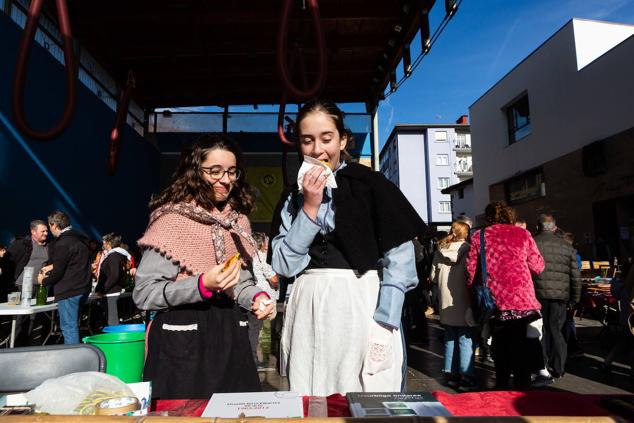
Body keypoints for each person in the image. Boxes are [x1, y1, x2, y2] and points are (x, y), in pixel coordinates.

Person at [270, 99, 426, 396]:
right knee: (311, 392)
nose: (317, 150)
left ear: (342, 139)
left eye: (326, 138)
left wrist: (386, 322)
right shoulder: (293, 197)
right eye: (307, 140)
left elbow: (400, 260)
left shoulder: (372, 185)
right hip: (308, 305)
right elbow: (284, 265)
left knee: (365, 391)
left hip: (362, 303)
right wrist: (310, 209)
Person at [133, 134, 275, 399]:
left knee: (238, 411)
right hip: (181, 340)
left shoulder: (238, 223)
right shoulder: (171, 221)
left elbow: (240, 283)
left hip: (230, 334)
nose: (225, 179)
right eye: (215, 171)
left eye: (232, 171)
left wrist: (257, 297)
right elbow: (144, 294)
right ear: (194, 172)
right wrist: (200, 285)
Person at [466, 202, 545, 389]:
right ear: (510, 216)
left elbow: (470, 272)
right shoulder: (523, 234)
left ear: (488, 217)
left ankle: (501, 387)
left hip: (495, 300)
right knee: (523, 347)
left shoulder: (479, 236)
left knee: (500, 346)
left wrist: (473, 296)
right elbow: (538, 266)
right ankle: (522, 386)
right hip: (522, 300)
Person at [531, 214, 581, 385]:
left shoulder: (532, 243)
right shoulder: (566, 247)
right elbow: (575, 276)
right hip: (560, 296)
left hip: (537, 294)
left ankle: (542, 367)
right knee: (556, 331)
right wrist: (575, 298)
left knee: (540, 331)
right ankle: (558, 367)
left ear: (538, 227)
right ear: (554, 227)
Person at [431, 220, 476, 391]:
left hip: (445, 301)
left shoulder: (440, 250)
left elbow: (434, 277)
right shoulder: (469, 249)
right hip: (464, 300)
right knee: (466, 338)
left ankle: (450, 374)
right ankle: (466, 375)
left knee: (450, 337)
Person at [38, 211, 92, 344]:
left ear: (54, 225)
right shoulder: (81, 240)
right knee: (73, 326)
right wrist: (52, 266)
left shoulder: (63, 243)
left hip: (70, 290)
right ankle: (76, 356)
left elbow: (58, 273)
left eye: (50, 227)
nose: (50, 231)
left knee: (69, 328)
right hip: (83, 287)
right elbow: (75, 262)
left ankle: (73, 361)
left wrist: (43, 281)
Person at [248, 232, 279, 368]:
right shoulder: (263, 258)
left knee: (254, 330)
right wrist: (278, 282)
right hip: (264, 298)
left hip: (252, 296)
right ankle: (261, 360)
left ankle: (254, 358)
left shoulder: (250, 257)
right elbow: (273, 279)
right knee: (263, 330)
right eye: (266, 241)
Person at [95, 233, 131, 327]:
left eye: (104, 242)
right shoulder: (117, 255)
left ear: (108, 243)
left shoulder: (114, 256)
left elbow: (114, 275)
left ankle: (116, 341)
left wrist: (102, 290)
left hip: (111, 293)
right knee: (111, 321)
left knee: (112, 323)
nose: (103, 244)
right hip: (111, 292)